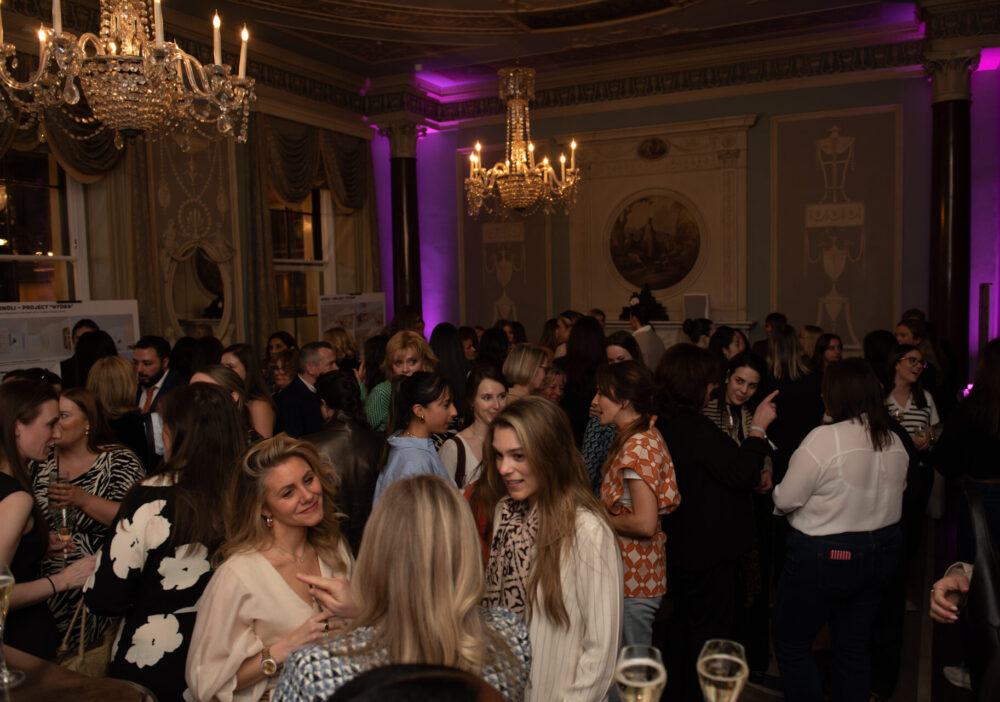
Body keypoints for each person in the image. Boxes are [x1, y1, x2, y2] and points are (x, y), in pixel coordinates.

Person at [272, 476, 531, 702]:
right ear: (467, 552)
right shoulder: (509, 638)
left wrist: (367, 607)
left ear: (374, 554)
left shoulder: (314, 671)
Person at [83, 383, 247, 701]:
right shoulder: (249, 493)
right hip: (231, 662)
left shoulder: (151, 499)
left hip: (155, 665)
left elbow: (105, 597)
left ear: (174, 434)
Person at [771, 358, 907, 702]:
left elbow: (786, 498)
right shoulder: (892, 439)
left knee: (792, 643)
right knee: (853, 645)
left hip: (826, 555)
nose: (821, 395)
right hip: (882, 552)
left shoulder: (825, 439)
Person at [185, 436, 354, 702]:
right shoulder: (237, 576)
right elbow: (204, 682)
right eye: (288, 493)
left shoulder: (334, 549)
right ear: (264, 508)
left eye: (308, 480)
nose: (308, 495)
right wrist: (283, 649)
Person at [655, 344, 776, 700]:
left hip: (683, 544)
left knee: (682, 629)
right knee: (704, 634)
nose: (714, 387)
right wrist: (758, 430)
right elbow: (741, 471)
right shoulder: (694, 428)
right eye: (710, 382)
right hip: (705, 551)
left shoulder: (666, 422)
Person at [482, 396, 623, 701]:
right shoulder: (505, 511)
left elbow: (601, 655)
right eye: (499, 455)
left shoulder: (587, 531)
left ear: (550, 454)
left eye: (518, 456)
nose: (504, 468)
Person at [31, 388, 145, 649]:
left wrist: (83, 499)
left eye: (63, 416)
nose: (55, 425)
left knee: (92, 657)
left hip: (101, 580)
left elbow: (137, 520)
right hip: (47, 584)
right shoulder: (39, 460)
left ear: (88, 423)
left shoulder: (118, 462)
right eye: (52, 418)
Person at [0, 380, 96, 659]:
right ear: (17, 427)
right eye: (50, 424)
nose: (58, 434)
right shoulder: (16, 498)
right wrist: (63, 580)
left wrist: (34, 547)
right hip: (19, 642)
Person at [594, 360, 679, 645]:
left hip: (635, 580)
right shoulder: (638, 435)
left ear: (624, 401)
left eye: (601, 393)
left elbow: (644, 523)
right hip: (630, 576)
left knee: (632, 667)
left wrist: (596, 518)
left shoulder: (639, 446)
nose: (595, 401)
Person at [701, 351, 775, 674]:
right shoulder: (707, 411)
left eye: (752, 386)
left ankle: (744, 655)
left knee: (748, 589)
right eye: (739, 381)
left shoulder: (749, 413)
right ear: (727, 377)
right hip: (716, 515)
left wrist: (766, 470)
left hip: (747, 511)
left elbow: (762, 448)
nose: (743, 390)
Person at [303, 369, 382, 554]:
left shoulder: (308, 447)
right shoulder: (381, 442)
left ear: (324, 404)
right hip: (373, 545)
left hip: (328, 545)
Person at [373, 371, 457, 504]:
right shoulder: (415, 464)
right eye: (446, 405)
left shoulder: (409, 442)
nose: (454, 412)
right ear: (420, 411)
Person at [581, 332, 643, 496]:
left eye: (621, 360)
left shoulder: (640, 444)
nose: (616, 367)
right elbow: (587, 474)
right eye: (611, 361)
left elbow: (644, 513)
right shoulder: (600, 423)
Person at [439, 364, 507, 490]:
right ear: (471, 401)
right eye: (487, 398)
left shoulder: (511, 441)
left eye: (502, 396)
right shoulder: (454, 449)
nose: (497, 405)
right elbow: (443, 497)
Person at [87, 355, 154, 469]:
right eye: (135, 383)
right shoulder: (133, 423)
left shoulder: (86, 420)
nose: (137, 388)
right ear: (126, 388)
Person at [364, 331, 438, 433]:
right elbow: (364, 433)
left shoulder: (432, 390)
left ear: (424, 362)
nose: (405, 369)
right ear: (391, 366)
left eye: (412, 362)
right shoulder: (382, 393)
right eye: (398, 363)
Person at [274, 341, 337, 438]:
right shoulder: (289, 400)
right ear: (311, 369)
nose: (336, 368)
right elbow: (294, 442)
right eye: (330, 364)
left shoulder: (327, 390)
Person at [222, 343, 277, 438]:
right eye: (221, 366)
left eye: (230, 367)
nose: (223, 371)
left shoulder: (258, 405)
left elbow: (262, 445)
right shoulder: (226, 397)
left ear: (248, 369)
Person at [134, 335, 185, 413]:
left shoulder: (180, 389)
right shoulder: (134, 389)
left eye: (147, 363)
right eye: (136, 363)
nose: (139, 369)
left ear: (165, 363)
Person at [60, 319, 99, 388]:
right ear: (73, 340)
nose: (82, 342)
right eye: (78, 338)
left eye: (88, 338)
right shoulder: (61, 369)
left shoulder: (105, 367)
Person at [629, 302, 666, 370]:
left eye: (630, 318)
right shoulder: (656, 338)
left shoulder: (635, 340)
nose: (630, 322)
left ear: (634, 318)